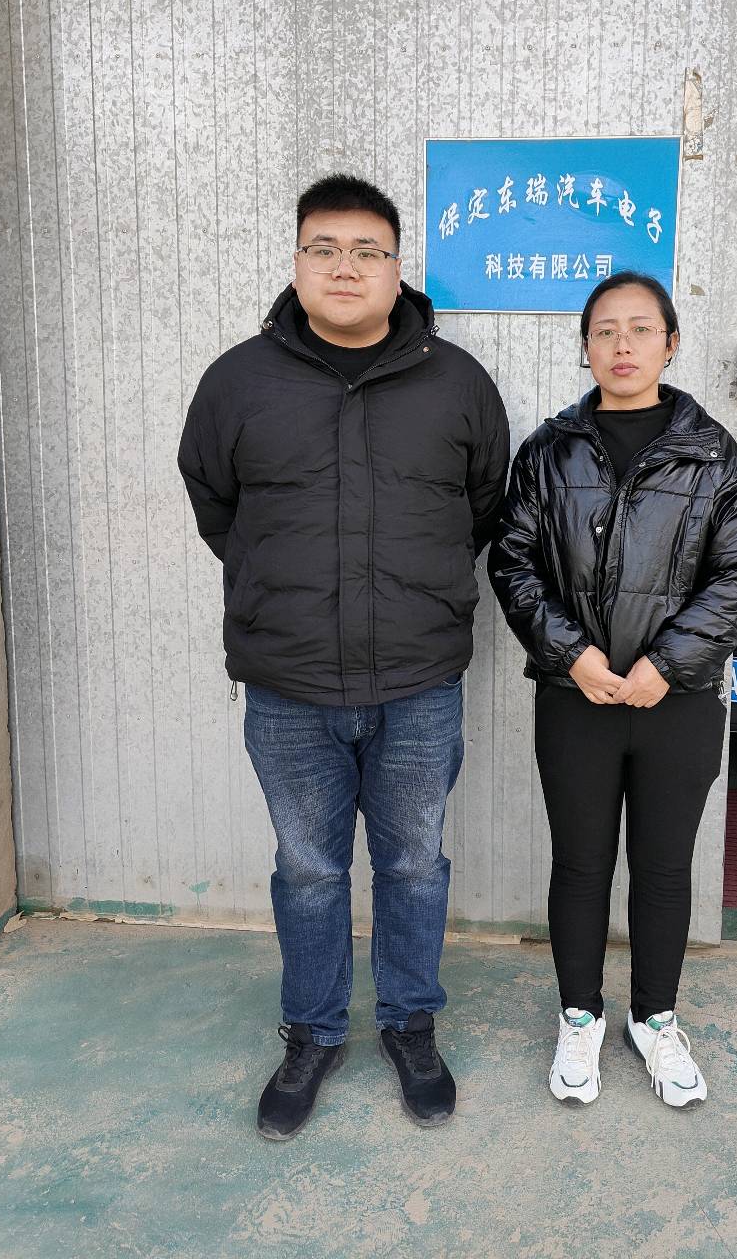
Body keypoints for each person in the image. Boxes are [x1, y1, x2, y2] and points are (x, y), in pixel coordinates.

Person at [179, 173, 509, 1140]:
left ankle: (410, 1024)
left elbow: (482, 508)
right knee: (309, 870)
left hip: (417, 682)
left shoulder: (457, 383)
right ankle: (314, 1032)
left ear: (399, 269)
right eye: (323, 248)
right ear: (295, 262)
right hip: (289, 686)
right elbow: (216, 505)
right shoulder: (237, 382)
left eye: (368, 251)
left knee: (413, 865)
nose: (345, 267)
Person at [488, 271, 737, 1110]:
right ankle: (580, 1014)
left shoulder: (714, 455)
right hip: (575, 699)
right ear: (585, 347)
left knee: (663, 867)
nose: (622, 345)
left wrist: (666, 664)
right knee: (580, 864)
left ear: (671, 344)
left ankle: (654, 1019)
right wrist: (571, 654)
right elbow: (513, 561)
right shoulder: (549, 452)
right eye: (605, 330)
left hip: (677, 703)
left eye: (642, 329)